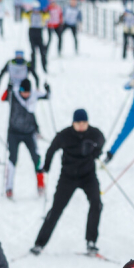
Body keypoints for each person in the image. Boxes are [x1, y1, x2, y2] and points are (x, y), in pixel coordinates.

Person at [30, 108, 105, 255]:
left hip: (88, 176)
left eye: (84, 122)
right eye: (78, 123)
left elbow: (102, 139)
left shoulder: (93, 133)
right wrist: (46, 166)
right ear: (73, 123)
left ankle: (91, 242)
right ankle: (39, 243)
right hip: (68, 177)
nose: (82, 125)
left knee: (96, 203)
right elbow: (51, 149)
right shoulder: (64, 135)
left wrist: (97, 151)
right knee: (56, 209)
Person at [0, 77, 48, 199]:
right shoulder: (14, 95)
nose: (25, 94)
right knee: (12, 159)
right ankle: (9, 187)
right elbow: (3, 98)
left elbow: (47, 96)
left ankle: (41, 184)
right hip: (14, 133)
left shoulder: (34, 95)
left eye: (27, 92)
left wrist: (48, 89)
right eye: (23, 92)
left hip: (29, 133)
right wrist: (8, 88)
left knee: (36, 157)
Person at [25, 1, 48, 73]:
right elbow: (23, 14)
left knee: (42, 51)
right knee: (33, 51)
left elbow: (48, 16)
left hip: (39, 31)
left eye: (37, 9)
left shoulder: (42, 14)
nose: (36, 11)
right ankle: (33, 67)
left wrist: (45, 11)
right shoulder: (30, 14)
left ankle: (44, 66)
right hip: (32, 31)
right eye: (35, 9)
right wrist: (26, 10)